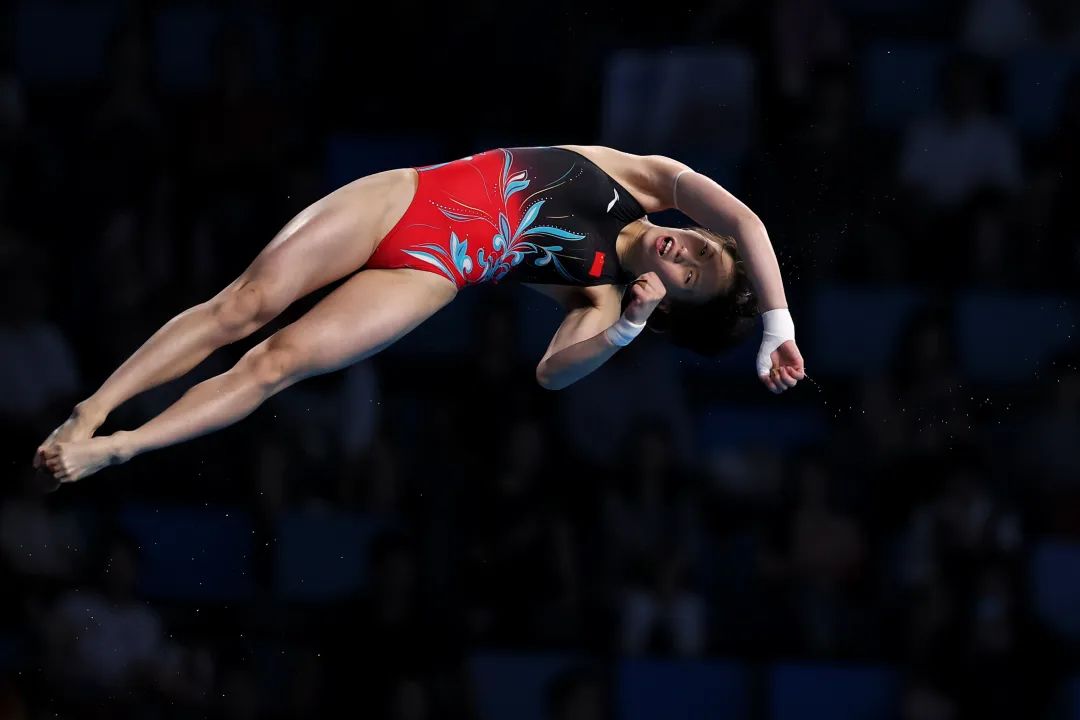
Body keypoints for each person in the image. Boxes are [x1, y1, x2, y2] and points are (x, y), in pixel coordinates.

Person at [35, 145, 805, 485]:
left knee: (276, 364)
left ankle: (124, 447)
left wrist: (624, 330)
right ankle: (91, 410)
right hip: (402, 197)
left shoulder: (601, 298)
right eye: (702, 248)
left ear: (672, 303)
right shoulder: (641, 178)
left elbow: (552, 374)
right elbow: (749, 223)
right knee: (244, 305)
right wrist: (779, 325)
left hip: (430, 274)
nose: (684, 254)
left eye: (689, 278)